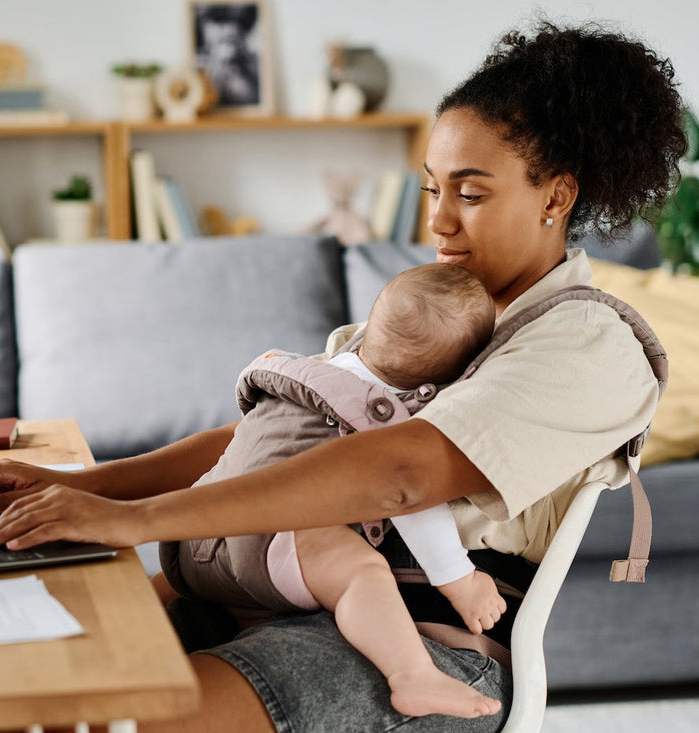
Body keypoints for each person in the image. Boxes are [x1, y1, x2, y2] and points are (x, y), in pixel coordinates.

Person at [0, 19, 687, 732]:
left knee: (136, 716)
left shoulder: (587, 342)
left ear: (556, 195)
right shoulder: (433, 307)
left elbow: (397, 472)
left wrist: (136, 522)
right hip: (280, 590)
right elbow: (277, 439)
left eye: (471, 192)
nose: (438, 223)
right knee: (12, 663)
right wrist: (74, 485)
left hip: (427, 647)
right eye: (432, 188)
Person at [156, 262, 503, 719]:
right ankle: (412, 675)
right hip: (271, 545)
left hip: (195, 539)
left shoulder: (301, 377)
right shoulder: (387, 420)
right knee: (362, 570)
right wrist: (461, 582)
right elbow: (410, 501)